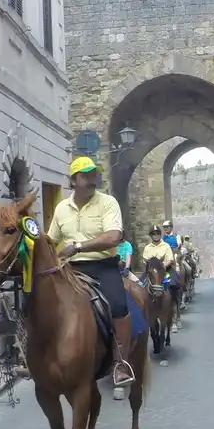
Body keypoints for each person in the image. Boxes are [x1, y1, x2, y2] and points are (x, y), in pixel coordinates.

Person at [46, 157, 135, 387]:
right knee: (40, 300)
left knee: (118, 304)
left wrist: (77, 246)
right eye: (85, 176)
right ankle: (39, 356)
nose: (91, 180)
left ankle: (120, 363)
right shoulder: (61, 209)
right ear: (73, 180)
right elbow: (51, 240)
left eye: (93, 175)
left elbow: (113, 236)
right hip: (70, 269)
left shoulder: (107, 203)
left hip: (102, 266)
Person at [142, 225, 179, 293]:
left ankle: (176, 301)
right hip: (151, 271)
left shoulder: (166, 246)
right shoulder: (147, 248)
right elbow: (145, 261)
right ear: (151, 235)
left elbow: (170, 260)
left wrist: (162, 267)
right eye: (154, 234)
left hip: (166, 269)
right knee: (140, 283)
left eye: (158, 233)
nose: (156, 235)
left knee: (175, 283)